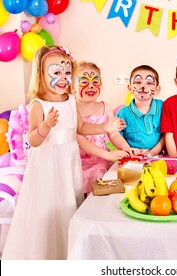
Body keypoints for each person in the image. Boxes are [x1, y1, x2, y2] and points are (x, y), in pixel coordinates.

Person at [2, 46, 124, 260]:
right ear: (41, 74)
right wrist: (45, 127)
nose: (63, 78)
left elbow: (81, 128)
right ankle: (44, 253)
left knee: (66, 205)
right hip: (46, 164)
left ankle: (65, 253)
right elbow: (33, 141)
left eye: (67, 72)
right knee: (47, 206)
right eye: (56, 72)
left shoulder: (70, 101)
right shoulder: (38, 105)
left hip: (67, 162)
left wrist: (105, 128)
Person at [75, 61, 134, 195]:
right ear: (72, 86)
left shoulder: (105, 108)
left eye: (95, 82)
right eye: (84, 82)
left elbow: (114, 134)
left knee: (103, 176)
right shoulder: (72, 108)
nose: (91, 86)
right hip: (78, 161)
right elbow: (81, 141)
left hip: (101, 160)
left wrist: (125, 148)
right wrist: (107, 155)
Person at [116, 65, 164, 156]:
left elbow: (167, 134)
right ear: (129, 88)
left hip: (159, 154)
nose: (142, 86)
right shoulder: (123, 113)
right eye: (138, 82)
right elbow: (116, 135)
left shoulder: (162, 107)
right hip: (134, 157)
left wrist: (152, 153)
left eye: (149, 83)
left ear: (157, 90)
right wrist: (127, 149)